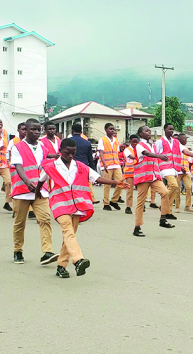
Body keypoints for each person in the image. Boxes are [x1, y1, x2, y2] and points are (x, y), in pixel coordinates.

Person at [39, 138, 121, 278]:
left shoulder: (81, 166)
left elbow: (96, 178)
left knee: (69, 236)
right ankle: (78, 260)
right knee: (68, 231)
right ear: (60, 151)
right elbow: (40, 182)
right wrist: (38, 195)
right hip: (60, 205)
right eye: (67, 153)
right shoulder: (51, 166)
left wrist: (115, 182)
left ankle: (61, 266)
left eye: (73, 153)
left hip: (76, 205)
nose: (70, 156)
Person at [9, 118, 57, 265]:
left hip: (40, 191)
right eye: (33, 129)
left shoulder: (43, 147)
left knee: (45, 219)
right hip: (22, 190)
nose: (36, 132)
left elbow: (46, 166)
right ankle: (18, 250)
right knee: (20, 223)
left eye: (38, 130)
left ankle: (47, 251)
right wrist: (27, 181)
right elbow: (18, 166)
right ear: (26, 130)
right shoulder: (17, 147)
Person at [131, 125, 174, 237]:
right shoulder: (140, 145)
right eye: (146, 131)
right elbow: (147, 154)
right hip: (144, 177)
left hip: (154, 176)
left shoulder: (152, 145)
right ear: (141, 134)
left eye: (149, 130)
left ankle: (163, 218)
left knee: (165, 193)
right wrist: (160, 156)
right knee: (140, 202)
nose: (149, 132)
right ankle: (137, 227)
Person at [154, 123, 184, 220]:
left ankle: (167, 210)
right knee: (173, 186)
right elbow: (155, 154)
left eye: (173, 129)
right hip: (165, 168)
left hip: (174, 168)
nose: (171, 131)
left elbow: (184, 151)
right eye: (170, 129)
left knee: (174, 189)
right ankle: (164, 207)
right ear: (165, 130)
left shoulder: (176, 142)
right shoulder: (160, 142)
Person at [97, 123, 123, 211]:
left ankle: (114, 200)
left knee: (120, 182)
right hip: (107, 165)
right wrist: (104, 164)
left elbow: (117, 152)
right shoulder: (102, 139)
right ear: (106, 130)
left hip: (116, 164)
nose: (112, 130)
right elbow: (101, 152)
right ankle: (106, 203)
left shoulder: (116, 140)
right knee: (107, 184)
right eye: (110, 129)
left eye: (113, 129)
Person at [121, 134, 140, 215]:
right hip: (129, 173)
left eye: (136, 142)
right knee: (130, 190)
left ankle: (141, 205)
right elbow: (132, 157)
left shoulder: (139, 149)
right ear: (130, 141)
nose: (135, 144)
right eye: (133, 142)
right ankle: (128, 207)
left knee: (141, 191)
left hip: (138, 172)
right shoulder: (127, 150)